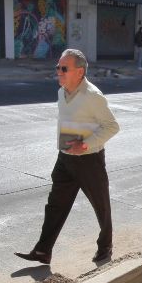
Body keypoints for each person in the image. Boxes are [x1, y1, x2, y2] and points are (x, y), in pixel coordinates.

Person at [15, 49, 120, 265]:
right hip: (65, 159)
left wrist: (85, 144)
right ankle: (43, 251)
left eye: (64, 68)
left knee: (101, 205)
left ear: (80, 71)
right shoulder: (61, 92)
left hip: (89, 160)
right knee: (55, 205)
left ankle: (105, 246)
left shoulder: (93, 96)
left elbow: (112, 126)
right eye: (57, 68)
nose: (59, 72)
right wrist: (66, 147)